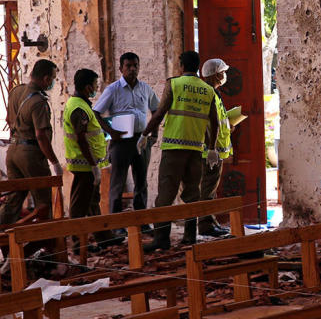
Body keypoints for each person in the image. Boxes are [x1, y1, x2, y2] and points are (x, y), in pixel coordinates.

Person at [141, 51, 219, 250]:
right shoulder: (207, 89)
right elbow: (214, 122)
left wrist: (145, 134)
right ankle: (190, 237)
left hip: (174, 149)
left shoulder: (174, 84)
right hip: (195, 150)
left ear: (182, 65)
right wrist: (212, 148)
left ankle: (161, 238)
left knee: (165, 195)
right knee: (193, 194)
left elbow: (159, 114)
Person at [0, 59, 62, 226]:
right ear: (46, 79)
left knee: (13, 199)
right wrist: (54, 162)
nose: (52, 82)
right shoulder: (38, 102)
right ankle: (46, 243)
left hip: (13, 150)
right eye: (52, 78)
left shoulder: (16, 91)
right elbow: (41, 136)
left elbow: (8, 119)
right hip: (30, 154)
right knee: (43, 201)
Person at [63, 69, 125, 249]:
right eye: (95, 86)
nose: (96, 89)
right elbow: (81, 139)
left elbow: (91, 133)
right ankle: (77, 243)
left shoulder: (82, 104)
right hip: (84, 165)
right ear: (88, 86)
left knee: (91, 203)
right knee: (79, 206)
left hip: (89, 164)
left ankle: (104, 237)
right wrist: (93, 166)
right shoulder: (78, 108)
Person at [93, 52, 159, 216]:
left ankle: (141, 220)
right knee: (118, 181)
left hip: (141, 140)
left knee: (141, 182)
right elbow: (96, 112)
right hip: (121, 141)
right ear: (121, 68)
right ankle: (117, 223)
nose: (132, 69)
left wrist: (154, 135)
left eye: (135, 66)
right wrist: (110, 132)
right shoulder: (113, 89)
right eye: (128, 66)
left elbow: (156, 110)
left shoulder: (145, 88)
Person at [197, 58, 233, 238]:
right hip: (211, 151)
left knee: (210, 189)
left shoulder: (214, 93)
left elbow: (218, 122)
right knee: (207, 190)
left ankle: (211, 222)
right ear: (217, 74)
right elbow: (208, 124)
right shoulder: (208, 93)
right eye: (223, 72)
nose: (225, 75)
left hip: (216, 150)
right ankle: (205, 225)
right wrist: (211, 149)